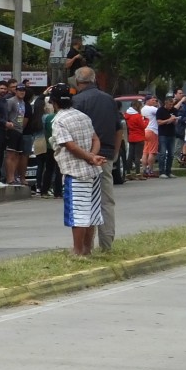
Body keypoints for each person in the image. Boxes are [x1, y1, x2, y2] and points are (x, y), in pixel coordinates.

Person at [49, 83, 105, 257]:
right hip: (93, 172)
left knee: (79, 214)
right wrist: (93, 157)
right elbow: (96, 140)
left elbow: (70, 146)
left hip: (75, 172)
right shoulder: (83, 116)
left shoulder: (59, 120)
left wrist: (89, 157)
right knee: (92, 212)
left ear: (54, 102)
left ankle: (77, 251)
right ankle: (88, 250)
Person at [72, 66, 119, 252]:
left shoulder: (76, 101)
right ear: (93, 79)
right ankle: (107, 244)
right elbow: (118, 128)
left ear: (77, 81)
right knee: (106, 201)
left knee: (84, 202)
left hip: (84, 157)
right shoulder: (109, 100)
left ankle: (85, 247)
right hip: (106, 155)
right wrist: (114, 153)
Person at [155, 95, 179, 178]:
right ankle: (162, 172)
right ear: (165, 103)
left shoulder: (174, 110)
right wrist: (168, 120)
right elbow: (159, 122)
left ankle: (169, 171)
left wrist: (174, 120)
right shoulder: (160, 110)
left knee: (171, 154)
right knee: (162, 154)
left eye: (172, 105)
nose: (170, 106)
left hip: (172, 133)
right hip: (163, 134)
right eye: (169, 104)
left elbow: (176, 122)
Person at [124, 100, 145, 179]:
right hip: (139, 137)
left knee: (130, 156)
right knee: (137, 156)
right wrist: (146, 120)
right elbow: (143, 126)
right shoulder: (137, 116)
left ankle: (128, 173)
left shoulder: (127, 115)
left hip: (131, 137)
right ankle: (138, 173)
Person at [141, 94, 160, 177]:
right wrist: (158, 105)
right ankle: (150, 170)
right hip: (152, 130)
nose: (154, 101)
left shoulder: (142, 109)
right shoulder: (152, 109)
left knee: (145, 151)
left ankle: (144, 169)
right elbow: (160, 112)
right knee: (152, 152)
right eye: (152, 100)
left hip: (145, 130)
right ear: (147, 101)